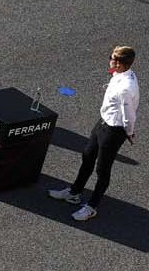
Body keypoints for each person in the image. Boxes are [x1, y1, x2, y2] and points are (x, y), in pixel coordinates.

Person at [48, 46, 140, 222]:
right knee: (87, 156)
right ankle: (74, 192)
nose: (109, 60)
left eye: (111, 58)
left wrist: (129, 132)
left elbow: (129, 114)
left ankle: (92, 206)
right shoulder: (120, 74)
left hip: (114, 130)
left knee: (102, 169)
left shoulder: (125, 88)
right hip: (102, 123)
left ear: (119, 63)